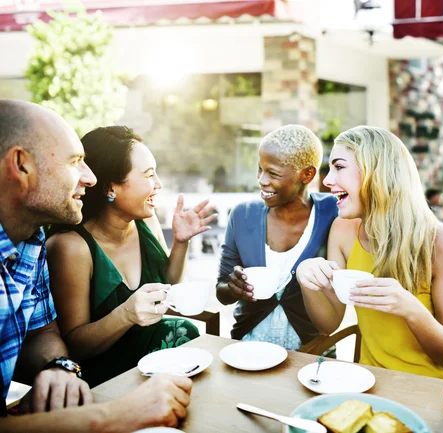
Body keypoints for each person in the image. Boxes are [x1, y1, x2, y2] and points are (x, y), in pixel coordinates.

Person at [0, 100, 191, 431]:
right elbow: (76, 339)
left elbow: (42, 333)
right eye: (75, 162)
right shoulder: (67, 246)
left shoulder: (31, 245)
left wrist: (58, 367)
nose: (89, 178)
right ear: (21, 165)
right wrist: (114, 415)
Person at [296, 125, 443, 379]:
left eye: (339, 167)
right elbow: (329, 324)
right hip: (372, 382)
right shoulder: (343, 229)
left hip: (438, 390)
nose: (327, 180)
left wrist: (409, 308)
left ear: (376, 172)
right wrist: (307, 280)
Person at [46, 126, 217, 387]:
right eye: (149, 175)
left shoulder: (146, 222)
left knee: (189, 335)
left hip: (152, 359)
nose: (158, 184)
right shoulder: (71, 247)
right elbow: (74, 345)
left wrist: (181, 242)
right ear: (110, 188)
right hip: (104, 374)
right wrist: (125, 314)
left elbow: (168, 282)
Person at [216, 125, 338, 350]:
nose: (262, 180)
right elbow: (221, 292)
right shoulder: (242, 215)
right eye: (260, 169)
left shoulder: (333, 212)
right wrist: (233, 287)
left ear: (307, 175)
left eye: (273, 173)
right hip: (248, 349)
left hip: (313, 352)